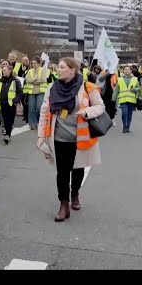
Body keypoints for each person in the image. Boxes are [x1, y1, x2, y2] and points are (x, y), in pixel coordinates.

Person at [37, 57, 105, 222]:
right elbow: (45, 111)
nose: (58, 70)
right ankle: (63, 204)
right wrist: (40, 136)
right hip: (59, 137)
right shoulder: (53, 88)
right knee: (62, 172)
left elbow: (100, 107)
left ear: (72, 70)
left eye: (61, 67)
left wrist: (87, 112)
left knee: (78, 169)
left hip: (80, 138)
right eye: (58, 67)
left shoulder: (87, 87)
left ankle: (75, 192)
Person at [23, 57, 52, 131]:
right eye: (32, 63)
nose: (33, 65)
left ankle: (40, 122)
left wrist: (34, 81)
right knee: (31, 108)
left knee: (39, 107)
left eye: (35, 63)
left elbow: (43, 80)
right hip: (32, 92)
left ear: (39, 63)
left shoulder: (44, 70)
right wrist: (35, 80)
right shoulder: (30, 71)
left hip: (41, 92)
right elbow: (27, 80)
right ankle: (33, 124)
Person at [0, 61, 24, 145]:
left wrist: (15, 100)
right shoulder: (1, 80)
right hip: (2, 103)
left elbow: (20, 92)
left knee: (10, 120)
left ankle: (8, 135)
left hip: (11, 104)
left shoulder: (15, 81)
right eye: (3, 70)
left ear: (10, 71)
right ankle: (7, 132)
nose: (3, 71)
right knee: (5, 120)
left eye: (5, 70)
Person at [113, 65, 140, 133]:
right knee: (124, 113)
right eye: (125, 69)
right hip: (123, 100)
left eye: (128, 69)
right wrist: (113, 98)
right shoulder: (120, 79)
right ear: (123, 71)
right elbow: (116, 89)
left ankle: (128, 127)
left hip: (131, 100)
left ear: (131, 71)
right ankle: (124, 126)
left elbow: (138, 88)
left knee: (129, 114)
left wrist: (134, 89)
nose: (127, 70)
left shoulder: (135, 79)